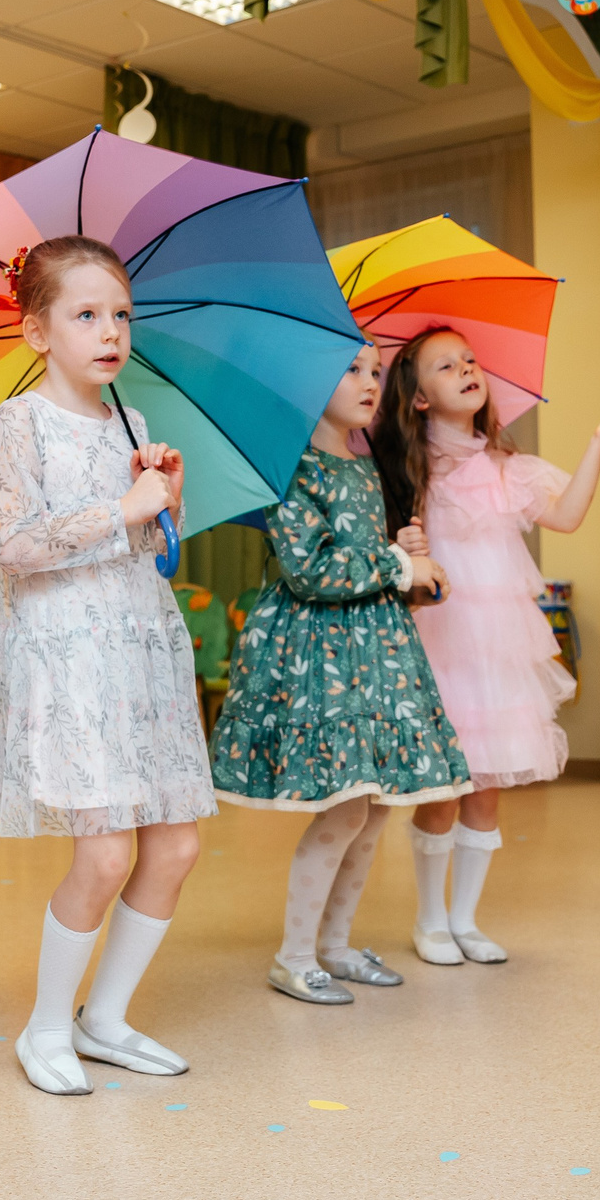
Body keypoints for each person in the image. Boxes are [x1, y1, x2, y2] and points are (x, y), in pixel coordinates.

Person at [0, 235, 215, 1095]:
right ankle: (45, 1026)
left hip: (138, 648)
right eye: (85, 315)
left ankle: (104, 1016)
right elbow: (19, 545)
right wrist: (120, 505)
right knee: (105, 855)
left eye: (121, 315)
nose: (110, 331)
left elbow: (150, 550)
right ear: (37, 331)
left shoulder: (133, 424)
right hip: (67, 657)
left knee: (176, 844)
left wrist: (162, 502)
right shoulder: (19, 422)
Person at [369, 326, 600, 965]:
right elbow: (393, 558)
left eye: (470, 360)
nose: (468, 369)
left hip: (496, 650)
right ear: (418, 397)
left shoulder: (505, 466)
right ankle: (431, 920)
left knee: (487, 788)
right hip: (439, 645)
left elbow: (568, 514)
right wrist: (407, 546)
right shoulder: (404, 474)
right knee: (443, 794)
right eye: (447, 366)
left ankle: (466, 919)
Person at [208, 342, 470, 1005]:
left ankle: (334, 945)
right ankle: (294, 955)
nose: (368, 382)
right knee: (345, 807)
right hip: (319, 659)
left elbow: (371, 559)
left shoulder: (366, 466)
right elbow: (312, 568)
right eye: (349, 369)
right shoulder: (291, 469)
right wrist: (394, 565)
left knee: (374, 807)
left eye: (376, 371)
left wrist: (407, 557)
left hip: (377, 656)